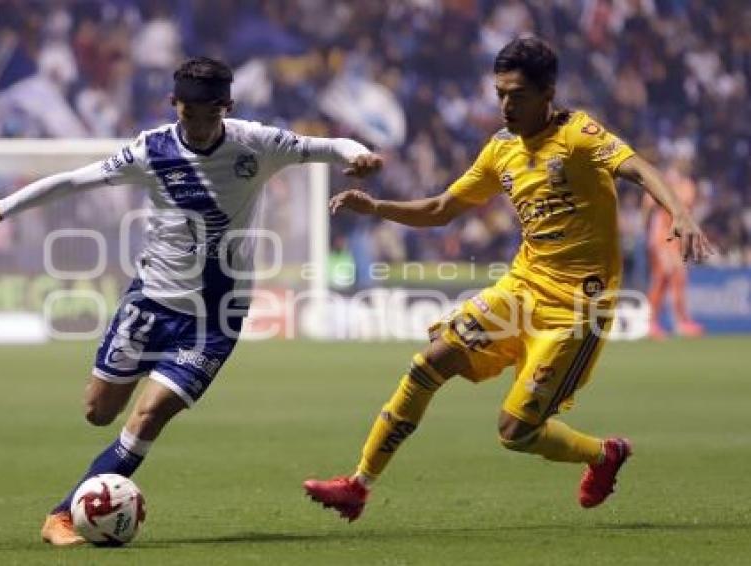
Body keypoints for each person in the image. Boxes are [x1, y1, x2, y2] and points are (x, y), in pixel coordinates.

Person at [0, 56, 382, 545]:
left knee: (149, 415)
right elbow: (73, 179)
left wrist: (357, 152)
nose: (195, 126)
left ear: (226, 107)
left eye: (206, 116)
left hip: (217, 315)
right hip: (151, 301)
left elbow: (326, 146)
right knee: (97, 410)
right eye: (185, 114)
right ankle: (92, 491)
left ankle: (64, 515)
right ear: (173, 104)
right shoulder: (150, 150)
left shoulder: (256, 143)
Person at [303, 37, 713, 522]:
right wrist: (375, 208)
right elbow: (441, 210)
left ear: (547, 93)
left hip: (577, 309)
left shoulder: (580, 135)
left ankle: (605, 455)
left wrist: (681, 215)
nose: (505, 105)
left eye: (516, 94)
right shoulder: (501, 151)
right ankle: (358, 485)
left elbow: (639, 169)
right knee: (428, 364)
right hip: (521, 290)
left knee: (514, 432)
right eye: (499, 93)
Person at [646, 156, 704, 338]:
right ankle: (675, 322)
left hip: (674, 239)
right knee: (670, 277)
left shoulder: (686, 185)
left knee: (666, 279)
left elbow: (688, 206)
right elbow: (648, 205)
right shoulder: (663, 183)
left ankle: (657, 322)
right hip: (662, 238)